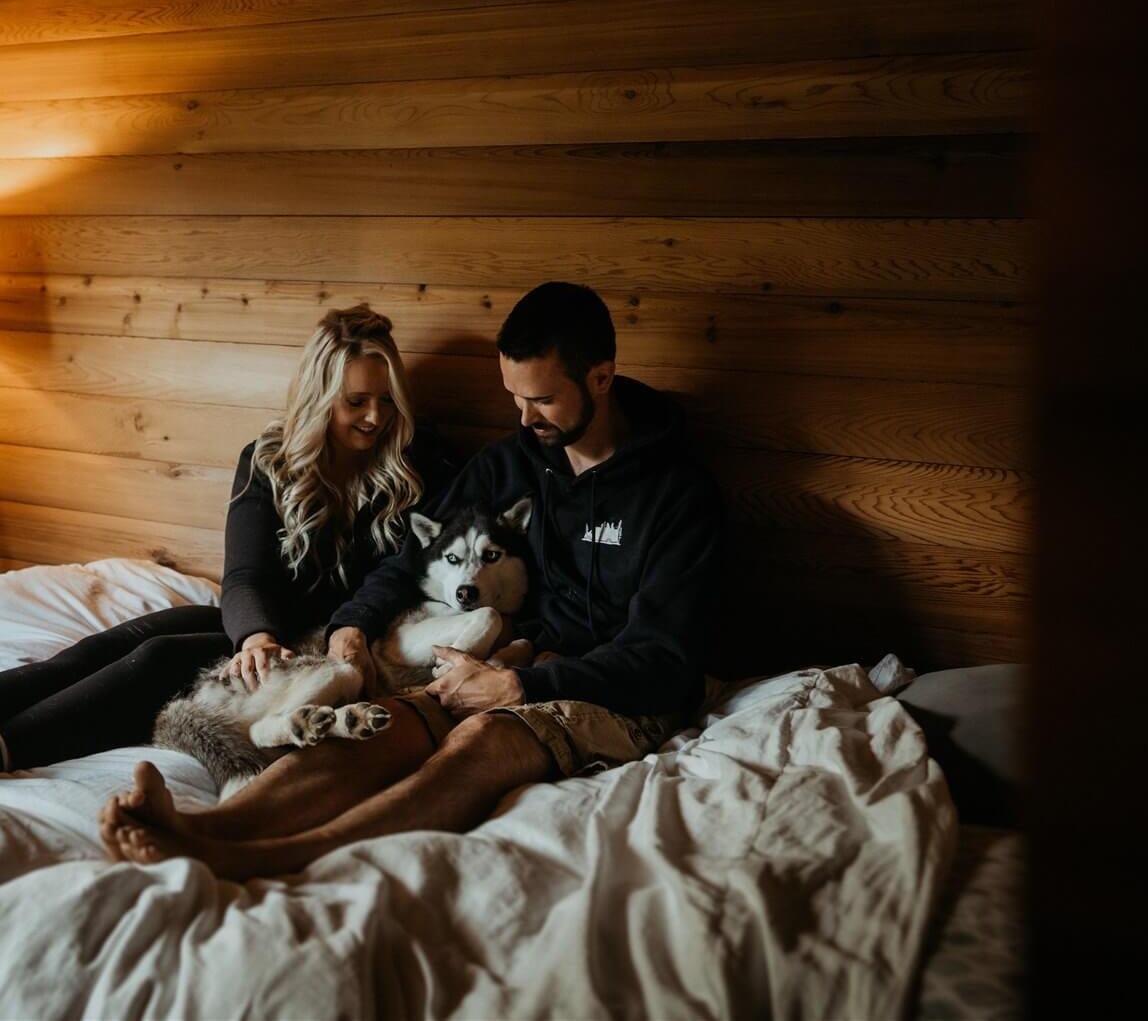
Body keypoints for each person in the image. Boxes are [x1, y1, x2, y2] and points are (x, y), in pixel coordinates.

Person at [97, 281, 723, 877]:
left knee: (482, 736)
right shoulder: (511, 463)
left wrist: (521, 684)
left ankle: (271, 858)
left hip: (619, 688)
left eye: (543, 399)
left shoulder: (677, 494)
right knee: (385, 724)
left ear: (601, 378)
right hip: (511, 659)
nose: (525, 416)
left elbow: (665, 659)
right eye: (513, 396)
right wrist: (352, 624)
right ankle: (206, 829)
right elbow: (409, 558)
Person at [0, 305, 459, 800]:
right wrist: (254, 633)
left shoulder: (418, 467)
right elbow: (246, 573)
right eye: (356, 402)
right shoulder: (271, 460)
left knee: (159, 658)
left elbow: (401, 579)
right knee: (131, 636)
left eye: (384, 400)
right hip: (267, 628)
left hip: (330, 644)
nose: (374, 417)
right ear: (321, 399)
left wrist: (294, 638)